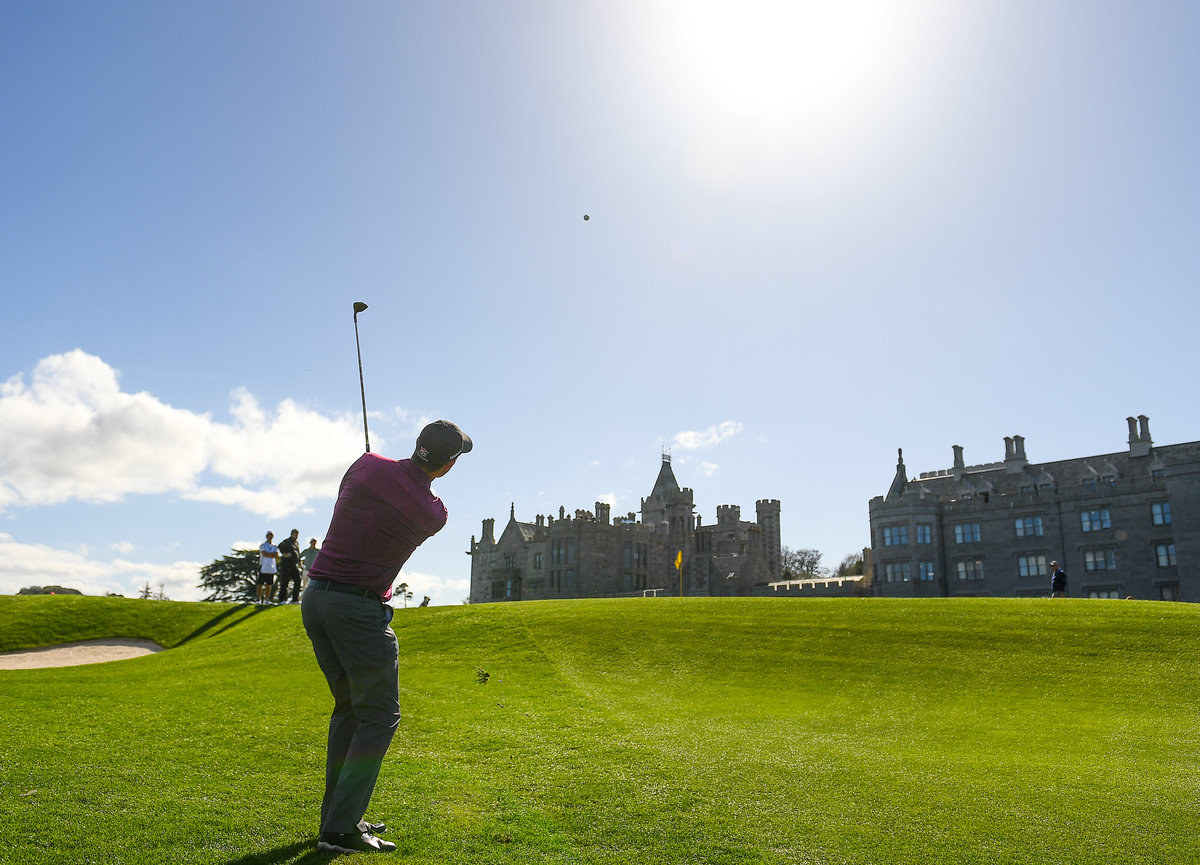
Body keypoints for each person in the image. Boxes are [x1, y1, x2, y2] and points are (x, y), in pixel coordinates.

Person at [301, 419, 472, 855]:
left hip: (316, 600)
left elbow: (359, 485)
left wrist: (375, 463)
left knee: (351, 710)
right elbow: (413, 498)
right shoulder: (435, 513)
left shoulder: (366, 465)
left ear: (417, 445)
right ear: (449, 466)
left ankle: (337, 819)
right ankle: (340, 829)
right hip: (359, 611)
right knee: (378, 716)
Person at [276, 529, 302, 604]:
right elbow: (280, 546)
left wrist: (299, 562)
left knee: (298, 580)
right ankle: (282, 600)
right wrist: (284, 554)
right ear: (291, 534)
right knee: (284, 582)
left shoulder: (296, 543)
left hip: (294, 565)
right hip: (286, 564)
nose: (296, 535)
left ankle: (295, 599)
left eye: (297, 534)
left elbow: (297, 553)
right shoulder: (287, 541)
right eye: (295, 534)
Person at [257, 531, 278, 604]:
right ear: (266, 536)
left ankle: (266, 599)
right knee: (260, 584)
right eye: (268, 535)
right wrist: (271, 554)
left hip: (271, 567)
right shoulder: (263, 545)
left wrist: (270, 554)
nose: (270, 537)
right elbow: (264, 554)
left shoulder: (274, 546)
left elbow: (276, 555)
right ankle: (258, 599)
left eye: (271, 535)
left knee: (269, 584)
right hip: (263, 566)